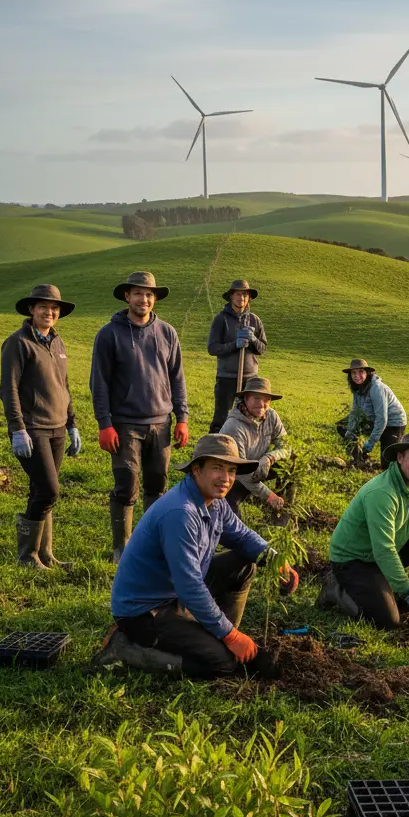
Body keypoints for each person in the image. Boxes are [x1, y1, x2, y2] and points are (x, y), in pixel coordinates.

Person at [94, 434, 298, 678]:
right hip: (145, 610)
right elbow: (189, 587)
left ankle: (220, 632)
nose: (226, 478)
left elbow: (242, 536)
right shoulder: (181, 513)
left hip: (174, 593)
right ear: (196, 470)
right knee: (221, 663)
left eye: (232, 470)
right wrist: (232, 638)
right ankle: (126, 649)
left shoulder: (215, 501)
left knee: (243, 563)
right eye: (217, 468)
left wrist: (274, 559)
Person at [90, 271, 189, 563]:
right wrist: (104, 424)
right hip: (125, 424)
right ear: (127, 297)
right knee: (126, 484)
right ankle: (123, 549)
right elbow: (99, 383)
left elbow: (178, 378)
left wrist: (182, 417)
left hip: (161, 423)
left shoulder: (168, 332)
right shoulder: (109, 334)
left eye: (148, 294)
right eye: (137, 293)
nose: (143, 299)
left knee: (157, 486)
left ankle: (151, 545)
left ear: (154, 298)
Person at [317, 432, 409, 628]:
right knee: (386, 621)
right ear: (400, 458)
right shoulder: (382, 493)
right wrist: (407, 592)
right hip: (356, 559)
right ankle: (335, 590)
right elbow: (383, 549)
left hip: (390, 546)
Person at [0, 284, 83, 568]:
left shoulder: (58, 343)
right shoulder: (18, 343)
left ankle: (45, 554)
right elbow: (8, 389)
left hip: (58, 428)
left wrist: (72, 424)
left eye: (54, 308)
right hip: (32, 429)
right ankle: (27, 556)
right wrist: (18, 429)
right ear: (32, 310)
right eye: (43, 307)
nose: (49, 312)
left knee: (40, 490)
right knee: (49, 490)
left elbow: (64, 386)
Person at [219, 376, 291, 519]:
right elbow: (241, 472)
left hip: (256, 468)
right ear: (245, 398)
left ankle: (284, 510)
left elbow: (286, 445)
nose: (262, 404)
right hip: (230, 476)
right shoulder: (234, 426)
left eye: (266, 400)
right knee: (231, 521)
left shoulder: (271, 415)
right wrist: (269, 496)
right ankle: (261, 499)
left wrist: (269, 458)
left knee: (290, 463)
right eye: (257, 398)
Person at [207, 279, 268, 433]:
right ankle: (215, 451)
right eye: (238, 294)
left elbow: (262, 349)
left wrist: (253, 339)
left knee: (248, 416)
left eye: (245, 295)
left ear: (248, 298)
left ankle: (244, 449)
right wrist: (234, 344)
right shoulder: (221, 320)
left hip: (250, 379)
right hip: (226, 377)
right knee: (221, 419)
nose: (241, 298)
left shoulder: (255, 320)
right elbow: (212, 348)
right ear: (231, 297)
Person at [338, 358, 407, 468]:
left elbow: (382, 419)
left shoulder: (377, 389)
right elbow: (355, 412)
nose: (357, 375)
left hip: (393, 423)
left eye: (361, 372)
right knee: (342, 427)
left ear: (368, 373)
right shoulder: (357, 388)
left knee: (387, 463)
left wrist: (370, 443)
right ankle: (360, 458)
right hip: (373, 419)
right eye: (354, 373)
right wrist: (350, 433)